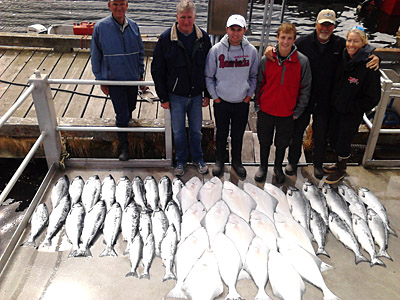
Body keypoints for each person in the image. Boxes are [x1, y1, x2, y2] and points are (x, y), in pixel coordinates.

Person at [264, 9, 379, 179]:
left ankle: (318, 164)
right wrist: (270, 49)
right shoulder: (302, 42)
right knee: (297, 134)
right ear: (316, 24)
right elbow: (285, 48)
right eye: (322, 25)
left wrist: (375, 57)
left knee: (321, 135)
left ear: (334, 27)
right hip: (303, 98)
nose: (325, 29)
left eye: (329, 25)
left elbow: (360, 51)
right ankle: (292, 161)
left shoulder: (340, 44)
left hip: (326, 100)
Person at [151, 0, 211, 177]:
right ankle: (181, 160)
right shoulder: (165, 39)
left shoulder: (203, 38)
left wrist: (207, 93)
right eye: (183, 17)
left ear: (195, 17)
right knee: (177, 131)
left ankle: (198, 159)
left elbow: (209, 68)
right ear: (176, 17)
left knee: (196, 130)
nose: (186, 21)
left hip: (196, 95)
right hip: (175, 96)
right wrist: (163, 97)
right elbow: (157, 70)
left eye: (189, 17)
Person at [255, 22, 311, 183]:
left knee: (282, 143)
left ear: (294, 40)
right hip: (266, 110)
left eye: (289, 38)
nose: (285, 41)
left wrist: (297, 112)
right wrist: (258, 106)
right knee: (264, 140)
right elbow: (259, 83)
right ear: (277, 38)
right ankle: (263, 166)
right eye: (283, 38)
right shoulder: (266, 59)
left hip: (287, 113)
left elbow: (305, 88)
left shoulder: (302, 62)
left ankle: (278, 167)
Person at [205, 14, 259, 179]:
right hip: (222, 101)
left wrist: (249, 95)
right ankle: (220, 160)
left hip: (241, 102)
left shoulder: (251, 51)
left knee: (238, 134)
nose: (235, 33)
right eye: (232, 29)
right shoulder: (215, 50)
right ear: (226, 30)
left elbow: (254, 76)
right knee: (221, 133)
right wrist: (215, 96)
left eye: (238, 29)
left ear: (244, 30)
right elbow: (209, 76)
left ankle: (237, 161)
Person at [325, 26, 381, 184]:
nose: (351, 44)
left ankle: (341, 169)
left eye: (356, 41)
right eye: (349, 40)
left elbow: (373, 98)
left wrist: (352, 108)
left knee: (344, 141)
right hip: (335, 108)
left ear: (363, 43)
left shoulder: (370, 66)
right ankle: (337, 163)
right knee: (334, 138)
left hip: (351, 114)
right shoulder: (342, 57)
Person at [91, 0, 145, 161]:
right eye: (115, 4)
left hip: (132, 78)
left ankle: (125, 127)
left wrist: (140, 75)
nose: (119, 8)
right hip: (114, 79)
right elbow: (96, 55)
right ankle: (124, 147)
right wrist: (101, 79)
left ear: (127, 5)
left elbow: (141, 52)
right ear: (109, 6)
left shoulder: (134, 26)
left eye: (122, 4)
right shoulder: (100, 28)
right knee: (121, 114)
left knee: (131, 107)